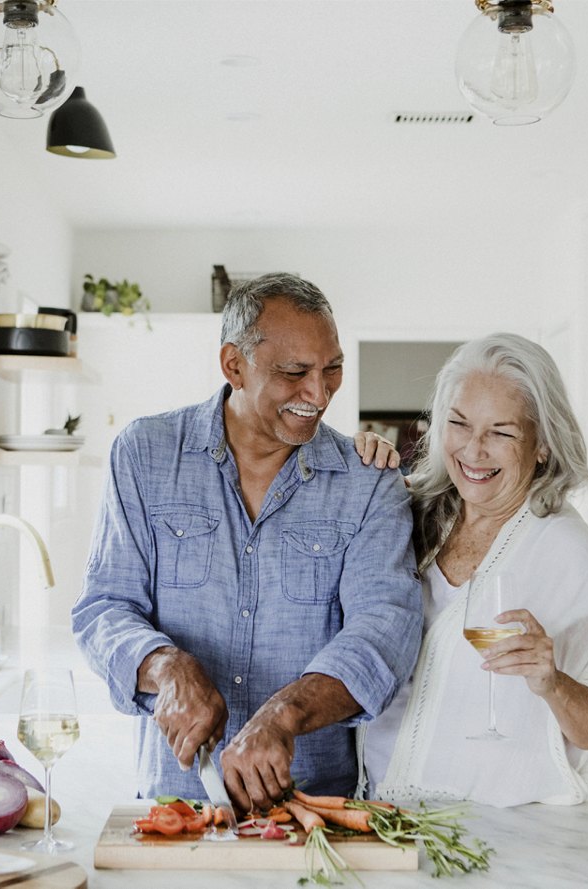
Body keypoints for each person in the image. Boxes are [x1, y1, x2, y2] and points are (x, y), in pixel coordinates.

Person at [72, 273, 423, 812]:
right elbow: (104, 608)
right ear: (233, 365)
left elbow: (384, 632)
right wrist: (165, 666)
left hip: (312, 808)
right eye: (294, 372)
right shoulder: (144, 455)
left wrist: (284, 714)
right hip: (174, 803)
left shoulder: (369, 481)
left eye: (332, 369)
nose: (319, 393)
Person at [361, 332, 588, 807]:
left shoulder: (567, 553)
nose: (473, 450)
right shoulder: (411, 512)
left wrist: (552, 682)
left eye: (501, 432)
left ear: (543, 445)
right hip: (379, 812)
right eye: (459, 424)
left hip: (495, 833)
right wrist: (357, 466)